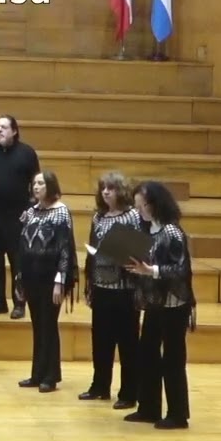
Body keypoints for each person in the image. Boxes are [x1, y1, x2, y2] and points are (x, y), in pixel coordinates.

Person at [123, 180, 196, 430]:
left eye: (142, 206)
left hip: (174, 303)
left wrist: (150, 270)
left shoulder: (172, 232)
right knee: (148, 354)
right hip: (156, 302)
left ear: (154, 204)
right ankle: (149, 407)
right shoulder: (147, 231)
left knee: (173, 358)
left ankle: (178, 413)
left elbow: (180, 269)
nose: (139, 210)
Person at [78, 171, 143, 408]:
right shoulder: (99, 217)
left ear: (121, 191)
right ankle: (100, 386)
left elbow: (138, 250)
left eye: (111, 188)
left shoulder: (132, 216)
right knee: (101, 340)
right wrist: (90, 283)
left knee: (127, 343)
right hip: (102, 285)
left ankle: (128, 392)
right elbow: (92, 249)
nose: (106, 192)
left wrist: (117, 253)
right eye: (103, 188)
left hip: (125, 288)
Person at [15, 171, 77, 393]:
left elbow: (65, 249)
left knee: (48, 324)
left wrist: (60, 280)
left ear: (51, 185)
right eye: (34, 183)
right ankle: (37, 373)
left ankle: (51, 375)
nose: (36, 187)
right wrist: (20, 277)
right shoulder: (31, 212)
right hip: (32, 276)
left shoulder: (61, 212)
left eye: (41, 183)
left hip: (51, 278)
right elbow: (22, 245)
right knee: (37, 324)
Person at [0, 115, 40, 319]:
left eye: (4, 127)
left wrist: (31, 208)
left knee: (18, 261)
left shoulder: (27, 153)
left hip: (18, 217)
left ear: (14, 131)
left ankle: (19, 303)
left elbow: (36, 185)